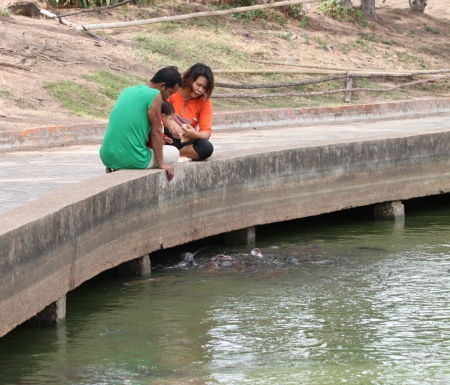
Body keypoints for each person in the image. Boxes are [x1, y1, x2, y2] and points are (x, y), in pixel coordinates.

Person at [99, 66, 182, 181]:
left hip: (107, 156)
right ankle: (127, 163)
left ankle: (119, 164)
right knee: (174, 152)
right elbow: (156, 132)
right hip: (134, 158)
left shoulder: (127, 90)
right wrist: (161, 163)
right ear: (162, 86)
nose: (169, 97)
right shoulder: (155, 95)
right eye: (170, 92)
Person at [165, 63, 215, 161]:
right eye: (198, 85)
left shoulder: (205, 102)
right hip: (166, 136)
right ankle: (170, 153)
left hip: (185, 142)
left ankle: (172, 154)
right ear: (189, 79)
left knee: (206, 147)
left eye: (204, 88)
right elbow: (157, 112)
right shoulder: (173, 90)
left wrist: (194, 134)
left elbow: (206, 133)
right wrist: (170, 122)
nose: (200, 90)